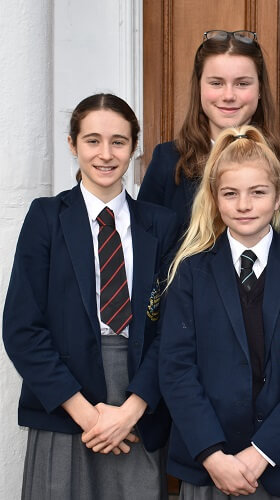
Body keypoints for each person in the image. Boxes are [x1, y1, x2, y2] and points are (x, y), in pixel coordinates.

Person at [3, 94, 178, 500]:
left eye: (118, 141)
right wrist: (88, 415)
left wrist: (131, 410)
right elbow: (22, 328)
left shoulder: (162, 224)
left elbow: (174, 329)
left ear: (134, 148)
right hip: (65, 403)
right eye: (92, 140)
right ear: (72, 144)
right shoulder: (45, 218)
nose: (105, 154)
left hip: (139, 401)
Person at [159, 125, 280, 499]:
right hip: (211, 469)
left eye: (258, 193)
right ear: (214, 198)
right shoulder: (189, 272)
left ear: (278, 198)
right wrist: (212, 454)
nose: (244, 205)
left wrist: (262, 452)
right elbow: (176, 372)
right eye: (231, 193)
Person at [138, 29, 280, 243]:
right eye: (216, 83)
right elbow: (146, 246)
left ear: (260, 88)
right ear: (199, 87)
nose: (229, 95)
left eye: (242, 83)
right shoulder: (167, 160)